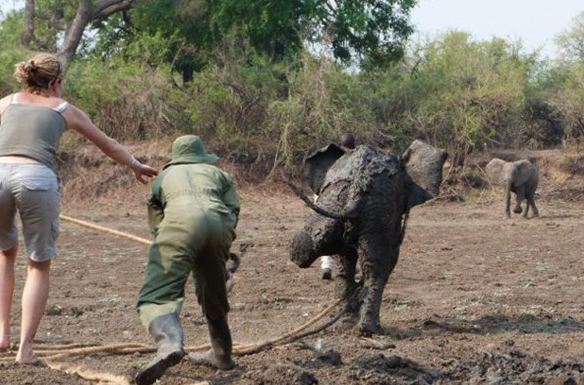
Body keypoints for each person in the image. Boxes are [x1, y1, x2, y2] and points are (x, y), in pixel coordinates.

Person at [0, 53, 157, 364]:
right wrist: (136, 166)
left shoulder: (7, 102)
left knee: (4, 254)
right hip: (36, 179)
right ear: (56, 83)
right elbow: (108, 144)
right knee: (37, 264)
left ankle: (1, 333)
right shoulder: (64, 109)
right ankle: (24, 349)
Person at [135, 135, 241, 385]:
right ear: (201, 154)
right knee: (213, 293)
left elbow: (157, 223)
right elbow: (233, 211)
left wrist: (176, 245)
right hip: (218, 225)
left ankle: (169, 344)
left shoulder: (162, 179)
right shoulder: (220, 175)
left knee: (157, 294)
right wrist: (220, 247)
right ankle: (222, 354)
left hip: (179, 225)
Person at [319, 132, 356, 280]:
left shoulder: (330, 158)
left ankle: (327, 267)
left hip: (325, 200)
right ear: (353, 146)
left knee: (326, 233)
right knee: (349, 235)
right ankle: (345, 267)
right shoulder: (356, 158)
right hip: (346, 202)